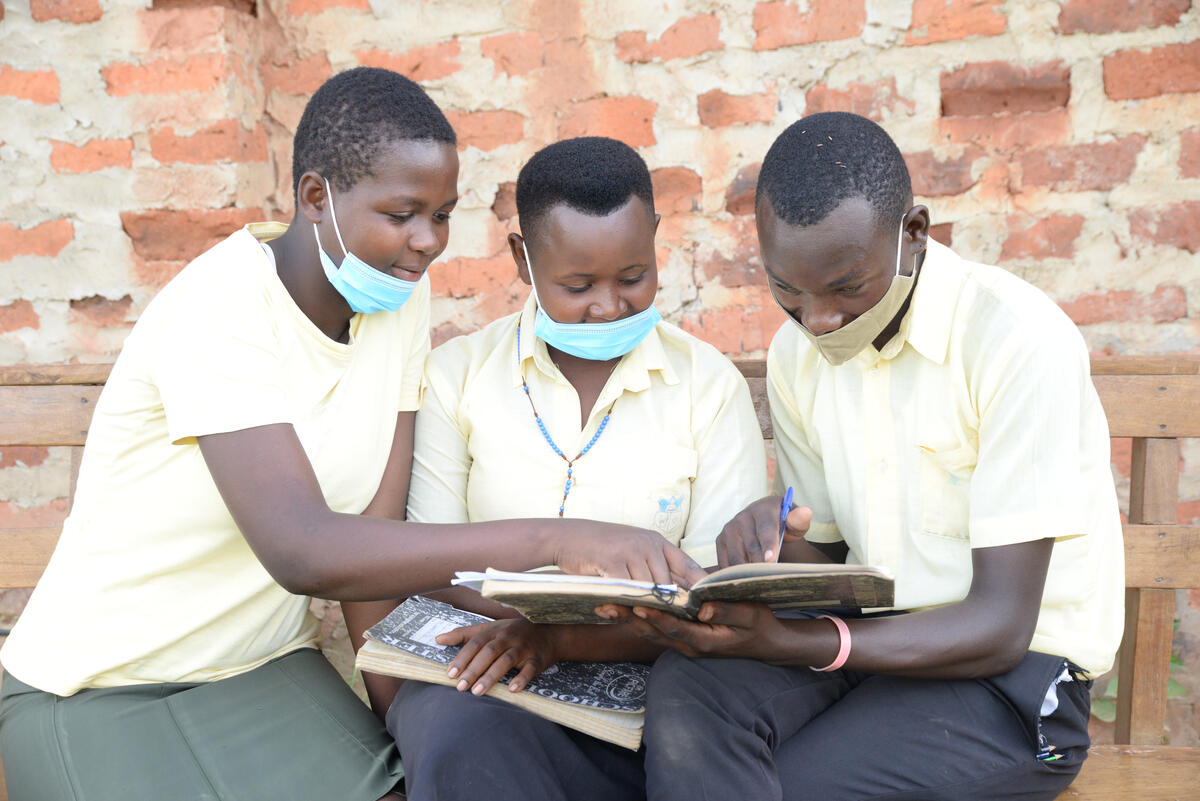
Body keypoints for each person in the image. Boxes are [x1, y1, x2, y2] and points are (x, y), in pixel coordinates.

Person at [0, 70, 702, 801]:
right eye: (403, 213)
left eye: (442, 213)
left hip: (259, 668)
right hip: (94, 683)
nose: (427, 241)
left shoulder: (398, 295)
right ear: (315, 198)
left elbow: (375, 532)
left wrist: (403, 721)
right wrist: (556, 540)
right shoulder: (218, 308)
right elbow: (304, 549)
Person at [601, 111, 1125, 801]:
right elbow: (831, 554)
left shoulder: (1015, 339)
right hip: (873, 645)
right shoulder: (801, 356)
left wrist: (792, 643)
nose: (817, 319)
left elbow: (1000, 626)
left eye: (847, 287)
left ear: (914, 233)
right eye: (788, 289)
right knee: (693, 694)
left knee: (789, 786)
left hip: (1014, 682)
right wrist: (773, 542)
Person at [383, 136, 768, 801]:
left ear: (654, 238)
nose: (609, 306)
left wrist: (558, 636)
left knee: (689, 737)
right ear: (522, 259)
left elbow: (713, 601)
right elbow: (430, 565)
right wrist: (519, 631)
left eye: (633, 276)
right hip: (490, 677)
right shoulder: (459, 377)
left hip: (648, 690)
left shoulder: (708, 386)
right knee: (455, 734)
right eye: (578, 285)